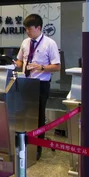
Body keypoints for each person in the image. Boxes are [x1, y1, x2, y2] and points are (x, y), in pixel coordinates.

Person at [15, 14, 61, 160]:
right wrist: (11, 64)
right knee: (23, 114)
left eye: (30, 28)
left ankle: (38, 148)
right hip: (24, 83)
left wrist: (41, 67)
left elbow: (57, 66)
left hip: (40, 84)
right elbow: (20, 61)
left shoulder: (49, 43)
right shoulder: (25, 42)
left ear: (39, 28)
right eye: (26, 29)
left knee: (38, 117)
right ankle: (23, 144)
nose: (28, 31)